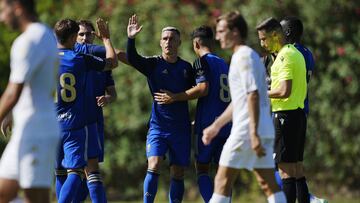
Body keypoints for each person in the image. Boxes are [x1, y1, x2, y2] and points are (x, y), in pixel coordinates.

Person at [202, 11, 287, 203]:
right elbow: (241, 101)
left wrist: (253, 133)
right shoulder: (248, 56)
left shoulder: (243, 57)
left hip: (246, 132)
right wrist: (216, 126)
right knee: (269, 185)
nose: (217, 36)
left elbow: (253, 95)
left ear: (235, 32)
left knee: (222, 181)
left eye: (222, 31)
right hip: (260, 130)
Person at [153, 25, 231, 203]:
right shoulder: (224, 64)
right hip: (226, 124)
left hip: (208, 125)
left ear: (196, 44)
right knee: (223, 171)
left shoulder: (201, 62)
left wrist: (176, 97)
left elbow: (203, 89)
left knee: (202, 169)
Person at [127, 14, 194, 203]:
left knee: (178, 172)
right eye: (165, 39)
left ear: (179, 42)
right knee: (154, 164)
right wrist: (131, 39)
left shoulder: (186, 68)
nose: (168, 42)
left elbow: (198, 91)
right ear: (160, 42)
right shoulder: (153, 64)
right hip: (158, 128)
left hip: (180, 129)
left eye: (172, 39)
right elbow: (132, 58)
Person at [0, 0, 60, 202]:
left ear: (17, 8)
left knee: (37, 199)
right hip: (25, 130)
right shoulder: (45, 35)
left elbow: (12, 93)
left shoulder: (29, 40)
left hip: (37, 132)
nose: (1, 18)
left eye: (2, 10)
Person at [54, 18, 117, 203]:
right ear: (74, 37)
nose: (84, 38)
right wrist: (106, 39)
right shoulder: (80, 59)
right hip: (75, 124)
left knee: (60, 171)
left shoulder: (44, 59)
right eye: (80, 34)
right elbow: (112, 61)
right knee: (76, 171)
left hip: (51, 124)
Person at [257, 17, 308, 203]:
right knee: (295, 170)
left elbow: (284, 91)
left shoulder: (285, 56)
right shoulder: (295, 53)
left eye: (264, 39)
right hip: (297, 115)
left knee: (285, 172)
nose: (262, 44)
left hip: (285, 116)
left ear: (275, 35)